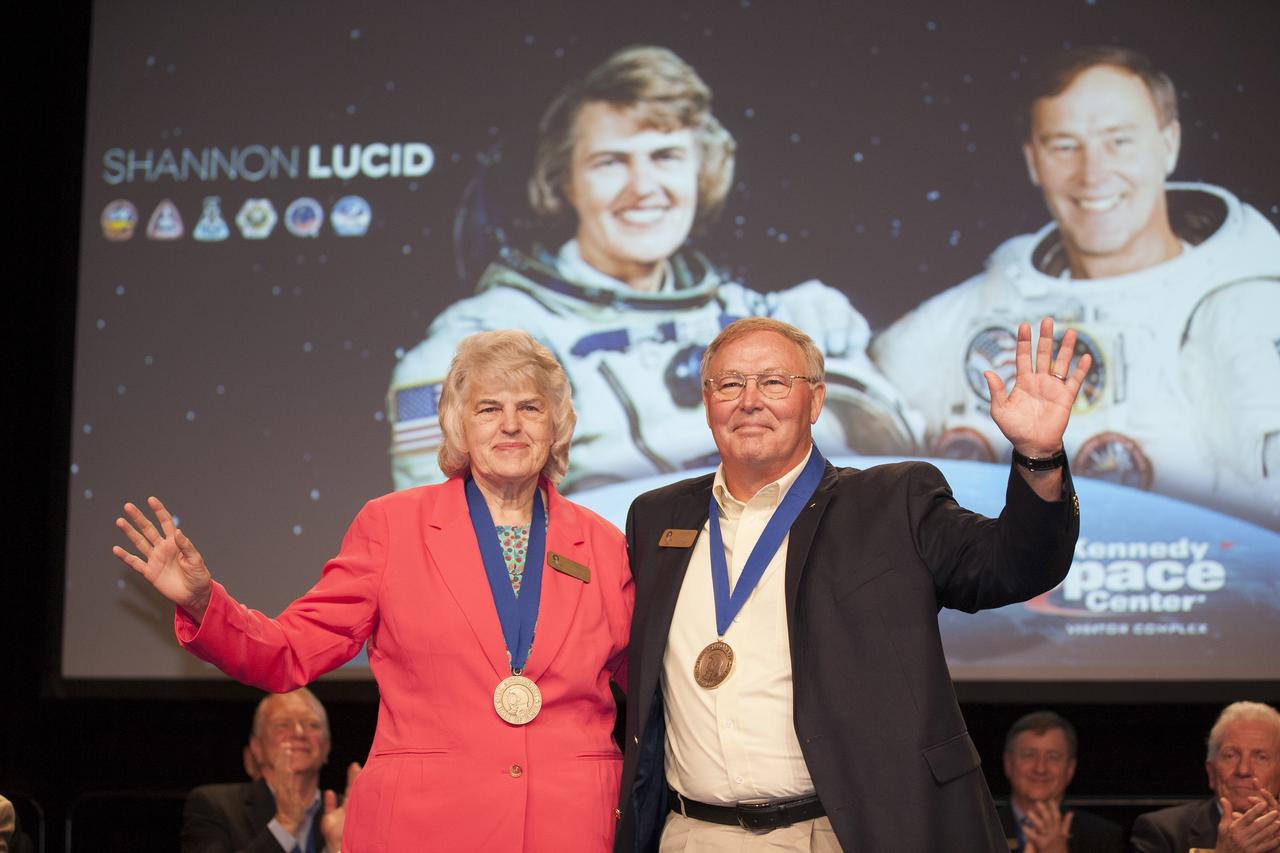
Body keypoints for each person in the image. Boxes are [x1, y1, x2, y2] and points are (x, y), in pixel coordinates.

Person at [114, 330, 634, 851]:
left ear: (557, 423)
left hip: (572, 826)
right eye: (489, 408)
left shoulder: (604, 545)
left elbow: (658, 680)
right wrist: (203, 602)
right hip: (424, 828)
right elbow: (290, 650)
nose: (511, 424)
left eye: (530, 407)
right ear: (459, 424)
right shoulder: (392, 527)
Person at [615, 316, 1086, 851]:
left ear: (816, 401)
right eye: (729, 384)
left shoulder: (892, 503)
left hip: (840, 834)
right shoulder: (656, 517)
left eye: (774, 382)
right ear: (707, 403)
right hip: (691, 834)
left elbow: (1016, 566)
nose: (749, 401)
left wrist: (1039, 457)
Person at [390, 45, 922, 495]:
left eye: (665, 157)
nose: (643, 188)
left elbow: (892, 448)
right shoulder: (482, 342)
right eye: (611, 162)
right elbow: (449, 525)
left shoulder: (776, 320)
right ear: (565, 182)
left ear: (701, 173)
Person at [871, 45, 1280, 530]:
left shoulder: (1248, 306)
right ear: (1034, 161)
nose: (1093, 174)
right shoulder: (983, 309)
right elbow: (861, 409)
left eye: (1119, 141)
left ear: (1168, 144)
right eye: (1065, 146)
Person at [181, 689, 359, 853]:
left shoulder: (348, 816)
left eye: (312, 725)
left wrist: (339, 848)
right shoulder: (215, 806)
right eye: (283, 724)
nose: (299, 732)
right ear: (256, 747)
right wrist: (284, 825)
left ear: (326, 748)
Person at [1131, 701, 1280, 853]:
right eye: (1230, 756)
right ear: (1211, 772)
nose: (1243, 770)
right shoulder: (1163, 832)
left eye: (1261, 757)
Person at [998, 711, 1124, 853]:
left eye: (1053, 757)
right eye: (1029, 755)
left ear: (1070, 769)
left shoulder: (1103, 838)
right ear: (1008, 763)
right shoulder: (981, 830)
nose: (1040, 768)